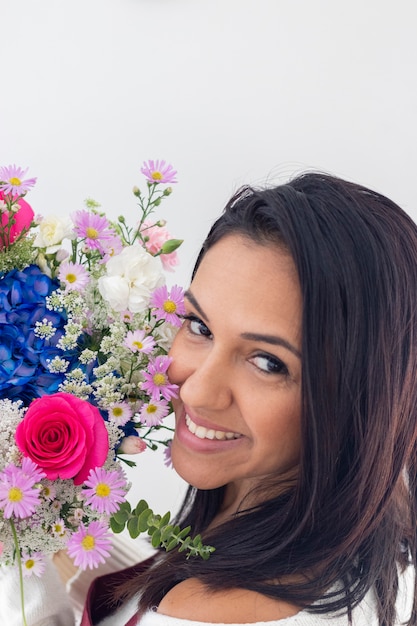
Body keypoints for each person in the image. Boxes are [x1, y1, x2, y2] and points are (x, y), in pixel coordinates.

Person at [6, 172, 417, 625]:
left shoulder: (211, 611)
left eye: (268, 362)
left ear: (361, 396)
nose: (196, 389)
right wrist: (49, 537)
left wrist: (18, 563)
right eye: (199, 327)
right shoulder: (373, 542)